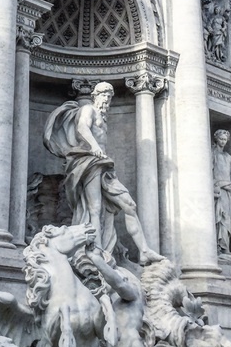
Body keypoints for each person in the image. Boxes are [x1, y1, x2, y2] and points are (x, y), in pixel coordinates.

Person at [43, 82, 162, 265]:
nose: (107, 99)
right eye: (103, 95)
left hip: (104, 165)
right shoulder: (88, 110)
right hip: (90, 161)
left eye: (109, 96)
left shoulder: (103, 117)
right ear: (95, 95)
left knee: (129, 204)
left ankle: (144, 251)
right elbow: (82, 128)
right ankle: (96, 251)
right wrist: (95, 147)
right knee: (95, 208)